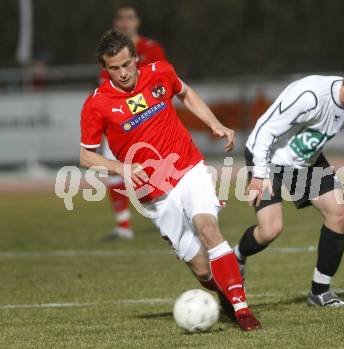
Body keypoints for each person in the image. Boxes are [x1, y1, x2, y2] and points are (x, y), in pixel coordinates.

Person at [80, 29, 261, 331]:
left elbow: (185, 93)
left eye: (127, 64)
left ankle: (243, 311)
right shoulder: (97, 104)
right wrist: (119, 167)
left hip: (187, 168)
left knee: (207, 227)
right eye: (114, 68)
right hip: (151, 192)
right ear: (105, 68)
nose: (123, 73)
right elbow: (86, 157)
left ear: (135, 58)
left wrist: (214, 124)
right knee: (201, 267)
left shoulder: (160, 72)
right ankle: (227, 297)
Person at [234, 61, 344, 307]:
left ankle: (320, 292)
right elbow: (265, 132)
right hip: (268, 158)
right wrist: (258, 175)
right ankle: (238, 256)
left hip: (306, 163)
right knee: (270, 230)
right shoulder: (310, 97)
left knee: (339, 214)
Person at [100, 3, 168, 240]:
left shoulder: (151, 48)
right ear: (116, 23)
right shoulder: (109, 54)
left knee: (155, 171)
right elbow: (106, 88)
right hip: (119, 122)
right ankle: (123, 226)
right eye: (121, 18)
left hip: (148, 121)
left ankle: (165, 216)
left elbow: (161, 84)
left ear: (137, 21)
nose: (126, 22)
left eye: (130, 17)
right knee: (113, 170)